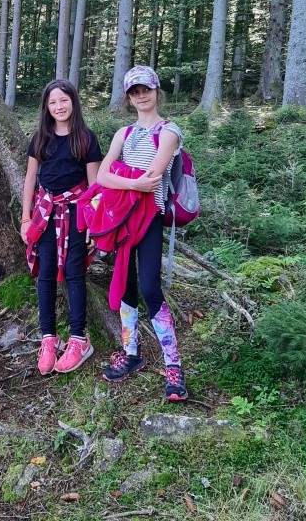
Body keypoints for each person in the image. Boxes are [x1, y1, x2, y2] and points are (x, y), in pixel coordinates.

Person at [96, 65, 188, 401]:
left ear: (156, 91)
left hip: (149, 218)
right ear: (128, 98)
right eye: (134, 92)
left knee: (149, 287)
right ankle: (131, 353)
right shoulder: (123, 133)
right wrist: (133, 183)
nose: (141, 96)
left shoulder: (169, 131)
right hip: (123, 219)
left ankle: (173, 366)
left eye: (146, 89)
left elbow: (154, 176)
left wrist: (122, 177)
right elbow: (101, 176)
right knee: (125, 285)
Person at [21, 80, 102, 375]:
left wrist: (94, 223)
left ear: (73, 103)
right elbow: (30, 179)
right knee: (45, 271)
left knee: (72, 270)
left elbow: (95, 186)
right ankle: (48, 337)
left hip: (77, 212)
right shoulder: (40, 139)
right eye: (53, 102)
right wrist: (26, 218)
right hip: (45, 212)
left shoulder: (86, 139)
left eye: (64, 100)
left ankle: (79, 339)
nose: (59, 106)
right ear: (46, 107)